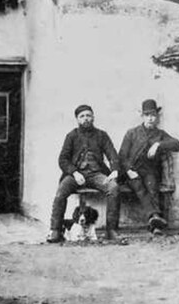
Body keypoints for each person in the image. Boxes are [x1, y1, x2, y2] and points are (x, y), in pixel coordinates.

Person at [47, 104, 123, 243]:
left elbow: (113, 155)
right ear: (77, 119)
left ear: (93, 117)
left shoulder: (102, 135)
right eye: (82, 116)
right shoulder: (72, 136)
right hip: (75, 175)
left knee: (113, 188)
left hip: (96, 174)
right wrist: (74, 172)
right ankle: (55, 230)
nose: (86, 118)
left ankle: (111, 231)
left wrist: (115, 170)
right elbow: (62, 159)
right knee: (60, 192)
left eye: (88, 115)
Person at [119, 99, 179, 236]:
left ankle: (155, 224)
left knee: (152, 186)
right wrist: (129, 171)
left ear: (157, 117)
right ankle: (155, 217)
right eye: (147, 115)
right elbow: (122, 156)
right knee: (139, 186)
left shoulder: (160, 134)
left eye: (153, 115)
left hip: (149, 172)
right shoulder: (132, 133)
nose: (150, 118)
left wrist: (158, 144)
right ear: (142, 116)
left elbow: (177, 144)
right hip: (131, 172)